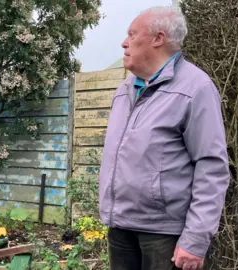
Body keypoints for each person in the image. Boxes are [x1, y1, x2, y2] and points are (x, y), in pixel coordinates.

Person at [98, 6, 230, 270]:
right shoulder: (124, 90)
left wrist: (195, 239)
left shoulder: (196, 89)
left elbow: (212, 167)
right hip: (120, 227)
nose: (124, 42)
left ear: (158, 38)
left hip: (164, 234)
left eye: (132, 34)